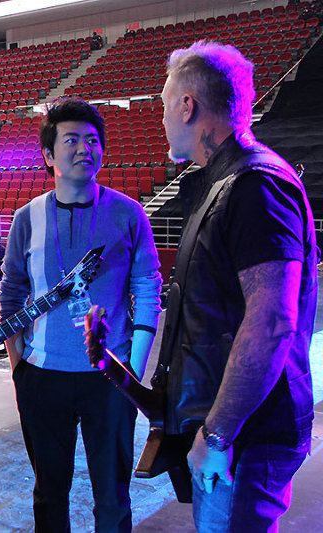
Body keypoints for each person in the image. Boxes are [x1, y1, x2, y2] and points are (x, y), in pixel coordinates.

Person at [157, 41, 317, 531]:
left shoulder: (255, 186)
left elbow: (270, 323)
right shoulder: (228, 179)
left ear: (188, 105)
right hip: (239, 429)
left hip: (248, 434)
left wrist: (218, 434)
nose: (161, 119)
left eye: (164, 105)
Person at [0, 98, 162, 532]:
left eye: (92, 140)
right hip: (42, 377)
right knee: (49, 495)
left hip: (111, 379)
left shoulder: (128, 213)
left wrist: (132, 369)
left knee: (113, 497)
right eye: (71, 140)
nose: (84, 148)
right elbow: (11, 294)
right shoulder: (27, 218)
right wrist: (19, 367)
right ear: (49, 155)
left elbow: (148, 288)